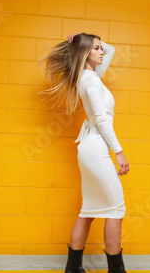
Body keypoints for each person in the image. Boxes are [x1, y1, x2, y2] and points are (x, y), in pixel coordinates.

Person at [37, 33, 129, 273]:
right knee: (116, 210)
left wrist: (82, 40)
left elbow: (111, 50)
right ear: (85, 53)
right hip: (97, 146)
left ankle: (73, 269)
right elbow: (100, 119)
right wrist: (118, 152)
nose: (101, 51)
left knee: (88, 210)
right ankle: (116, 271)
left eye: (99, 48)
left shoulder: (91, 76)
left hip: (88, 147)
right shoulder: (90, 81)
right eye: (95, 48)